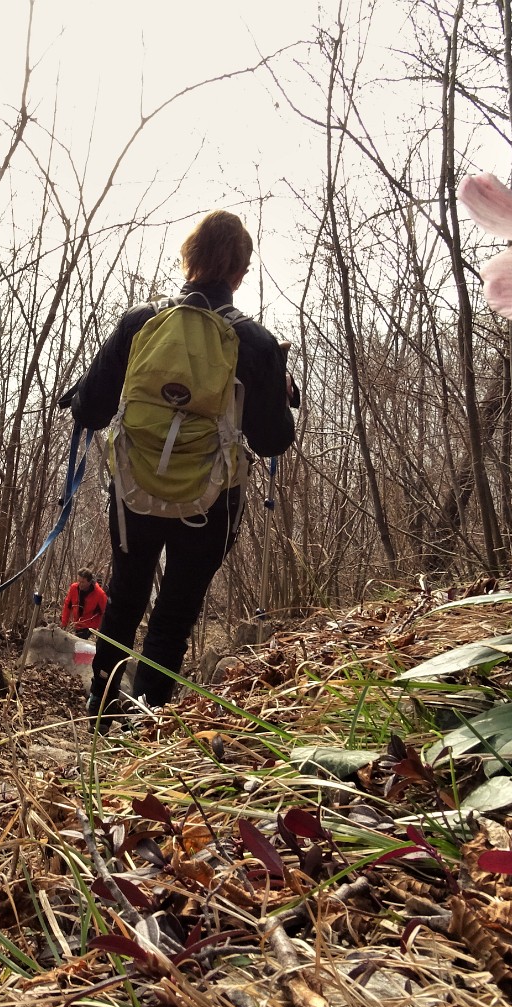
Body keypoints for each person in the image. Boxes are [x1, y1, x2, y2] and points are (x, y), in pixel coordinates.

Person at [61, 210, 298, 725]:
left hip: (134, 490)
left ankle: (101, 713)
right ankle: (147, 718)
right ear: (241, 272)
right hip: (213, 503)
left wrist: (80, 393)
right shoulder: (255, 343)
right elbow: (273, 439)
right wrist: (277, 387)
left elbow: (91, 410)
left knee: (125, 597)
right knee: (176, 610)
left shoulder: (141, 324)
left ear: (188, 258)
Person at [60, 568, 107, 638]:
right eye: (79, 581)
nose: (80, 584)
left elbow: (105, 612)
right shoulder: (74, 588)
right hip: (77, 623)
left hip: (90, 626)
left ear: (90, 582)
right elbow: (67, 606)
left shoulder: (100, 594)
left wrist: (101, 631)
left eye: (83, 582)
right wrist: (64, 623)